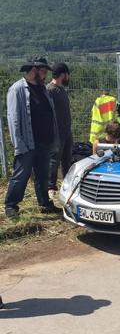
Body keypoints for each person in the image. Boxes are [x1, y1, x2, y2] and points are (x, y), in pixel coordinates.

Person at [4, 58, 60, 218]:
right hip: (27, 143)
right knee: (21, 175)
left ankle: (45, 203)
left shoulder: (42, 89)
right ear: (34, 70)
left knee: (42, 175)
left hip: (45, 141)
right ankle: (11, 206)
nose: (45, 75)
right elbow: (13, 119)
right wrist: (18, 144)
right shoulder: (17, 89)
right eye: (43, 72)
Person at [47, 62, 72, 199]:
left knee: (66, 160)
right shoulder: (50, 90)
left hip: (67, 131)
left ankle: (67, 184)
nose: (69, 77)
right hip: (56, 133)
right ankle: (51, 187)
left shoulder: (61, 89)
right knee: (54, 160)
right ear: (63, 75)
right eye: (68, 74)